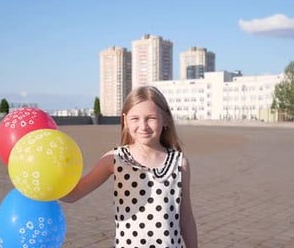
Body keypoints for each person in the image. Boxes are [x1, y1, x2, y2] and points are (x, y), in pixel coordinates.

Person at [61, 85, 198, 248]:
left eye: (151, 118)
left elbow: (186, 216)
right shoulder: (115, 158)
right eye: (135, 118)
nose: (143, 125)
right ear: (125, 121)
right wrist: (47, 187)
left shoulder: (179, 163)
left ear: (166, 120)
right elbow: (74, 194)